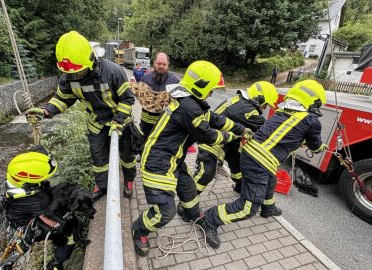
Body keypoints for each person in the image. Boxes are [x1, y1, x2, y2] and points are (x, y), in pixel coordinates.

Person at [131, 60, 253, 256]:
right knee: (165, 212)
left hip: (172, 160)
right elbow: (210, 136)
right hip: (157, 164)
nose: (212, 93)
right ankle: (140, 229)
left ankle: (195, 216)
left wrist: (241, 128)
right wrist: (235, 136)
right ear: (201, 86)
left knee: (188, 191)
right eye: (211, 89)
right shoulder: (189, 108)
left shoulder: (189, 101)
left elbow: (215, 119)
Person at [203, 79, 329, 248]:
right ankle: (210, 219)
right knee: (248, 208)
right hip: (260, 161)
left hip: (252, 155)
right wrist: (321, 147)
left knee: (271, 180)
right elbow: (315, 146)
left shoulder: (282, 111)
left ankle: (268, 208)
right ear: (315, 102)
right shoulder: (311, 121)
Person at [25, 31, 136, 201]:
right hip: (96, 122)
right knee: (98, 159)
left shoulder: (113, 72)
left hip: (121, 121)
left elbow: (127, 98)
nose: (75, 77)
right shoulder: (70, 75)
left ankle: (129, 180)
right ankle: (102, 185)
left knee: (127, 155)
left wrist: (118, 119)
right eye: (71, 74)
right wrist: (47, 111)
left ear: (91, 61)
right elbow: (63, 98)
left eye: (78, 73)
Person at [177, 81, 277, 218]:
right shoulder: (250, 111)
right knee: (206, 172)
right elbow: (266, 129)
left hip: (227, 140)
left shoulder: (239, 99)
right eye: (265, 104)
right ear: (260, 99)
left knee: (237, 165)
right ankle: (185, 203)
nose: (265, 108)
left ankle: (239, 187)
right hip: (213, 140)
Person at [0, 146, 74, 270]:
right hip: (26, 224)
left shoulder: (15, 175)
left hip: (15, 214)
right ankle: (56, 264)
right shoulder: (35, 198)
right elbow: (46, 218)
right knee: (69, 232)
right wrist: (61, 225)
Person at [139, 52, 180, 141]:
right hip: (146, 124)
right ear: (154, 63)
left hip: (165, 124)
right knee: (144, 146)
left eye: (164, 64)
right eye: (159, 63)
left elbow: (178, 103)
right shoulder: (146, 78)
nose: (161, 66)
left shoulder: (174, 81)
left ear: (168, 64)